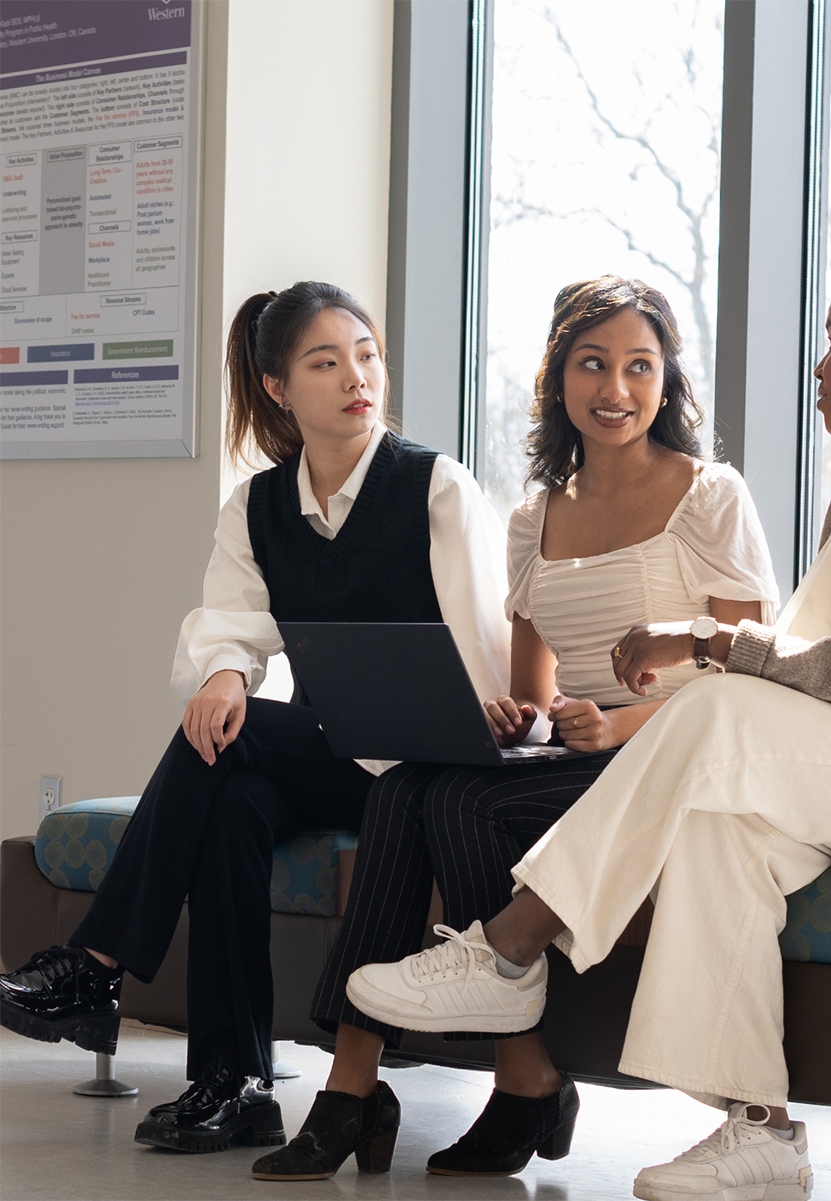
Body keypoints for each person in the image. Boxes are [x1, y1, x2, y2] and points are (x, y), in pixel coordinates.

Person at [346, 261, 831, 1201]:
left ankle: (509, 944)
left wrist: (706, 638)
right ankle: (762, 1130)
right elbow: (826, 668)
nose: (819, 366)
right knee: (717, 823)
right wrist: (720, 655)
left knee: (714, 705)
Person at [249, 275, 779, 1182]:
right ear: (560, 378)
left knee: (449, 796)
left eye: (640, 367)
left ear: (668, 381)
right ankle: (437, 1076)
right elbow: (535, 689)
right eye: (594, 364)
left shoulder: (710, 496)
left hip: (677, 753)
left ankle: (463, 1078)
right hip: (576, 755)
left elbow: (751, 677)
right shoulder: (536, 517)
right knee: (409, 782)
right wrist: (523, 713)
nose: (616, 390)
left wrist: (620, 727)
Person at [0, 281, 509, 1159]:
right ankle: (232, 1084)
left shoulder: (436, 487)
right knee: (229, 793)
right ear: (278, 386)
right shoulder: (260, 505)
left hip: (425, 770)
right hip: (330, 757)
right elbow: (228, 621)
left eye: (366, 354)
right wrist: (230, 673)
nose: (357, 376)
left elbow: (486, 652)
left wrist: (239, 685)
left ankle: (97, 967)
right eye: (326, 361)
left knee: (224, 747)